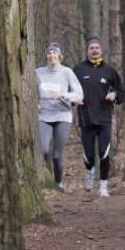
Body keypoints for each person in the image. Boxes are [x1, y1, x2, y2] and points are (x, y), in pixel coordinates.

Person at [73, 37, 125, 197]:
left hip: (104, 119)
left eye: (97, 48)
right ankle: (89, 170)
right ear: (87, 51)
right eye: (91, 48)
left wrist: (114, 95)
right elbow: (68, 90)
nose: (94, 50)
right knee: (88, 155)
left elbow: (122, 93)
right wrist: (73, 100)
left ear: (101, 51)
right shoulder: (78, 69)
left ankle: (103, 186)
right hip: (86, 118)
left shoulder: (109, 70)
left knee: (103, 152)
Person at [37, 43, 84, 191]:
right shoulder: (38, 72)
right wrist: (34, 104)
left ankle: (58, 185)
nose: (52, 56)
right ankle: (43, 179)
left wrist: (63, 94)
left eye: (54, 53)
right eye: (49, 53)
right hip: (44, 115)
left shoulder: (67, 72)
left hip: (62, 116)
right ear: (45, 56)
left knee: (57, 155)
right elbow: (29, 90)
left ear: (59, 56)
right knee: (44, 150)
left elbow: (79, 94)